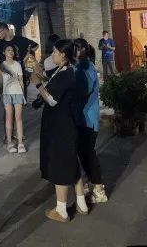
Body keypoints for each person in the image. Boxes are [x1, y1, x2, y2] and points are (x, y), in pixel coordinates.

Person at [32, 39, 83, 223]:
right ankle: (81, 203)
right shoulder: (63, 70)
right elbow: (52, 83)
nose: (51, 54)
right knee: (71, 162)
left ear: (63, 54)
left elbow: (52, 100)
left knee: (60, 164)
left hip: (60, 126)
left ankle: (61, 210)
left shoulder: (66, 74)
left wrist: (38, 84)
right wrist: (39, 74)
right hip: (64, 123)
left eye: (54, 52)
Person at [73, 39, 108, 205]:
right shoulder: (81, 66)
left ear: (80, 50)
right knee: (84, 154)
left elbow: (82, 91)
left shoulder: (86, 68)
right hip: (82, 119)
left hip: (87, 120)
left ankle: (99, 190)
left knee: (88, 155)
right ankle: (90, 184)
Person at [0, 46, 26, 153]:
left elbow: (21, 80)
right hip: (6, 93)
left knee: (18, 118)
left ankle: (20, 143)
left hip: (18, 93)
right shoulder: (2, 65)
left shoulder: (17, 65)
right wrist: (1, 93)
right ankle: (9, 143)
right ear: (4, 52)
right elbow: (1, 81)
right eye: (8, 50)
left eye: (12, 50)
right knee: (9, 118)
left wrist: (23, 94)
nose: (11, 52)